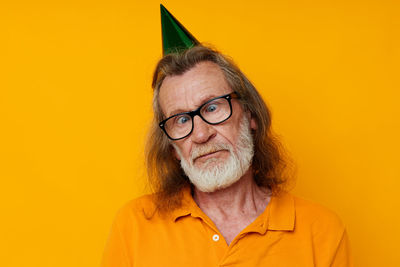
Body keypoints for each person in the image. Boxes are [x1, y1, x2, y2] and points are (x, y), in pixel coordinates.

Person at [101, 6, 353, 267]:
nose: (200, 134)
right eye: (182, 120)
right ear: (173, 148)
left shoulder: (321, 231)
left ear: (250, 115)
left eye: (212, 108)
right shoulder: (133, 226)